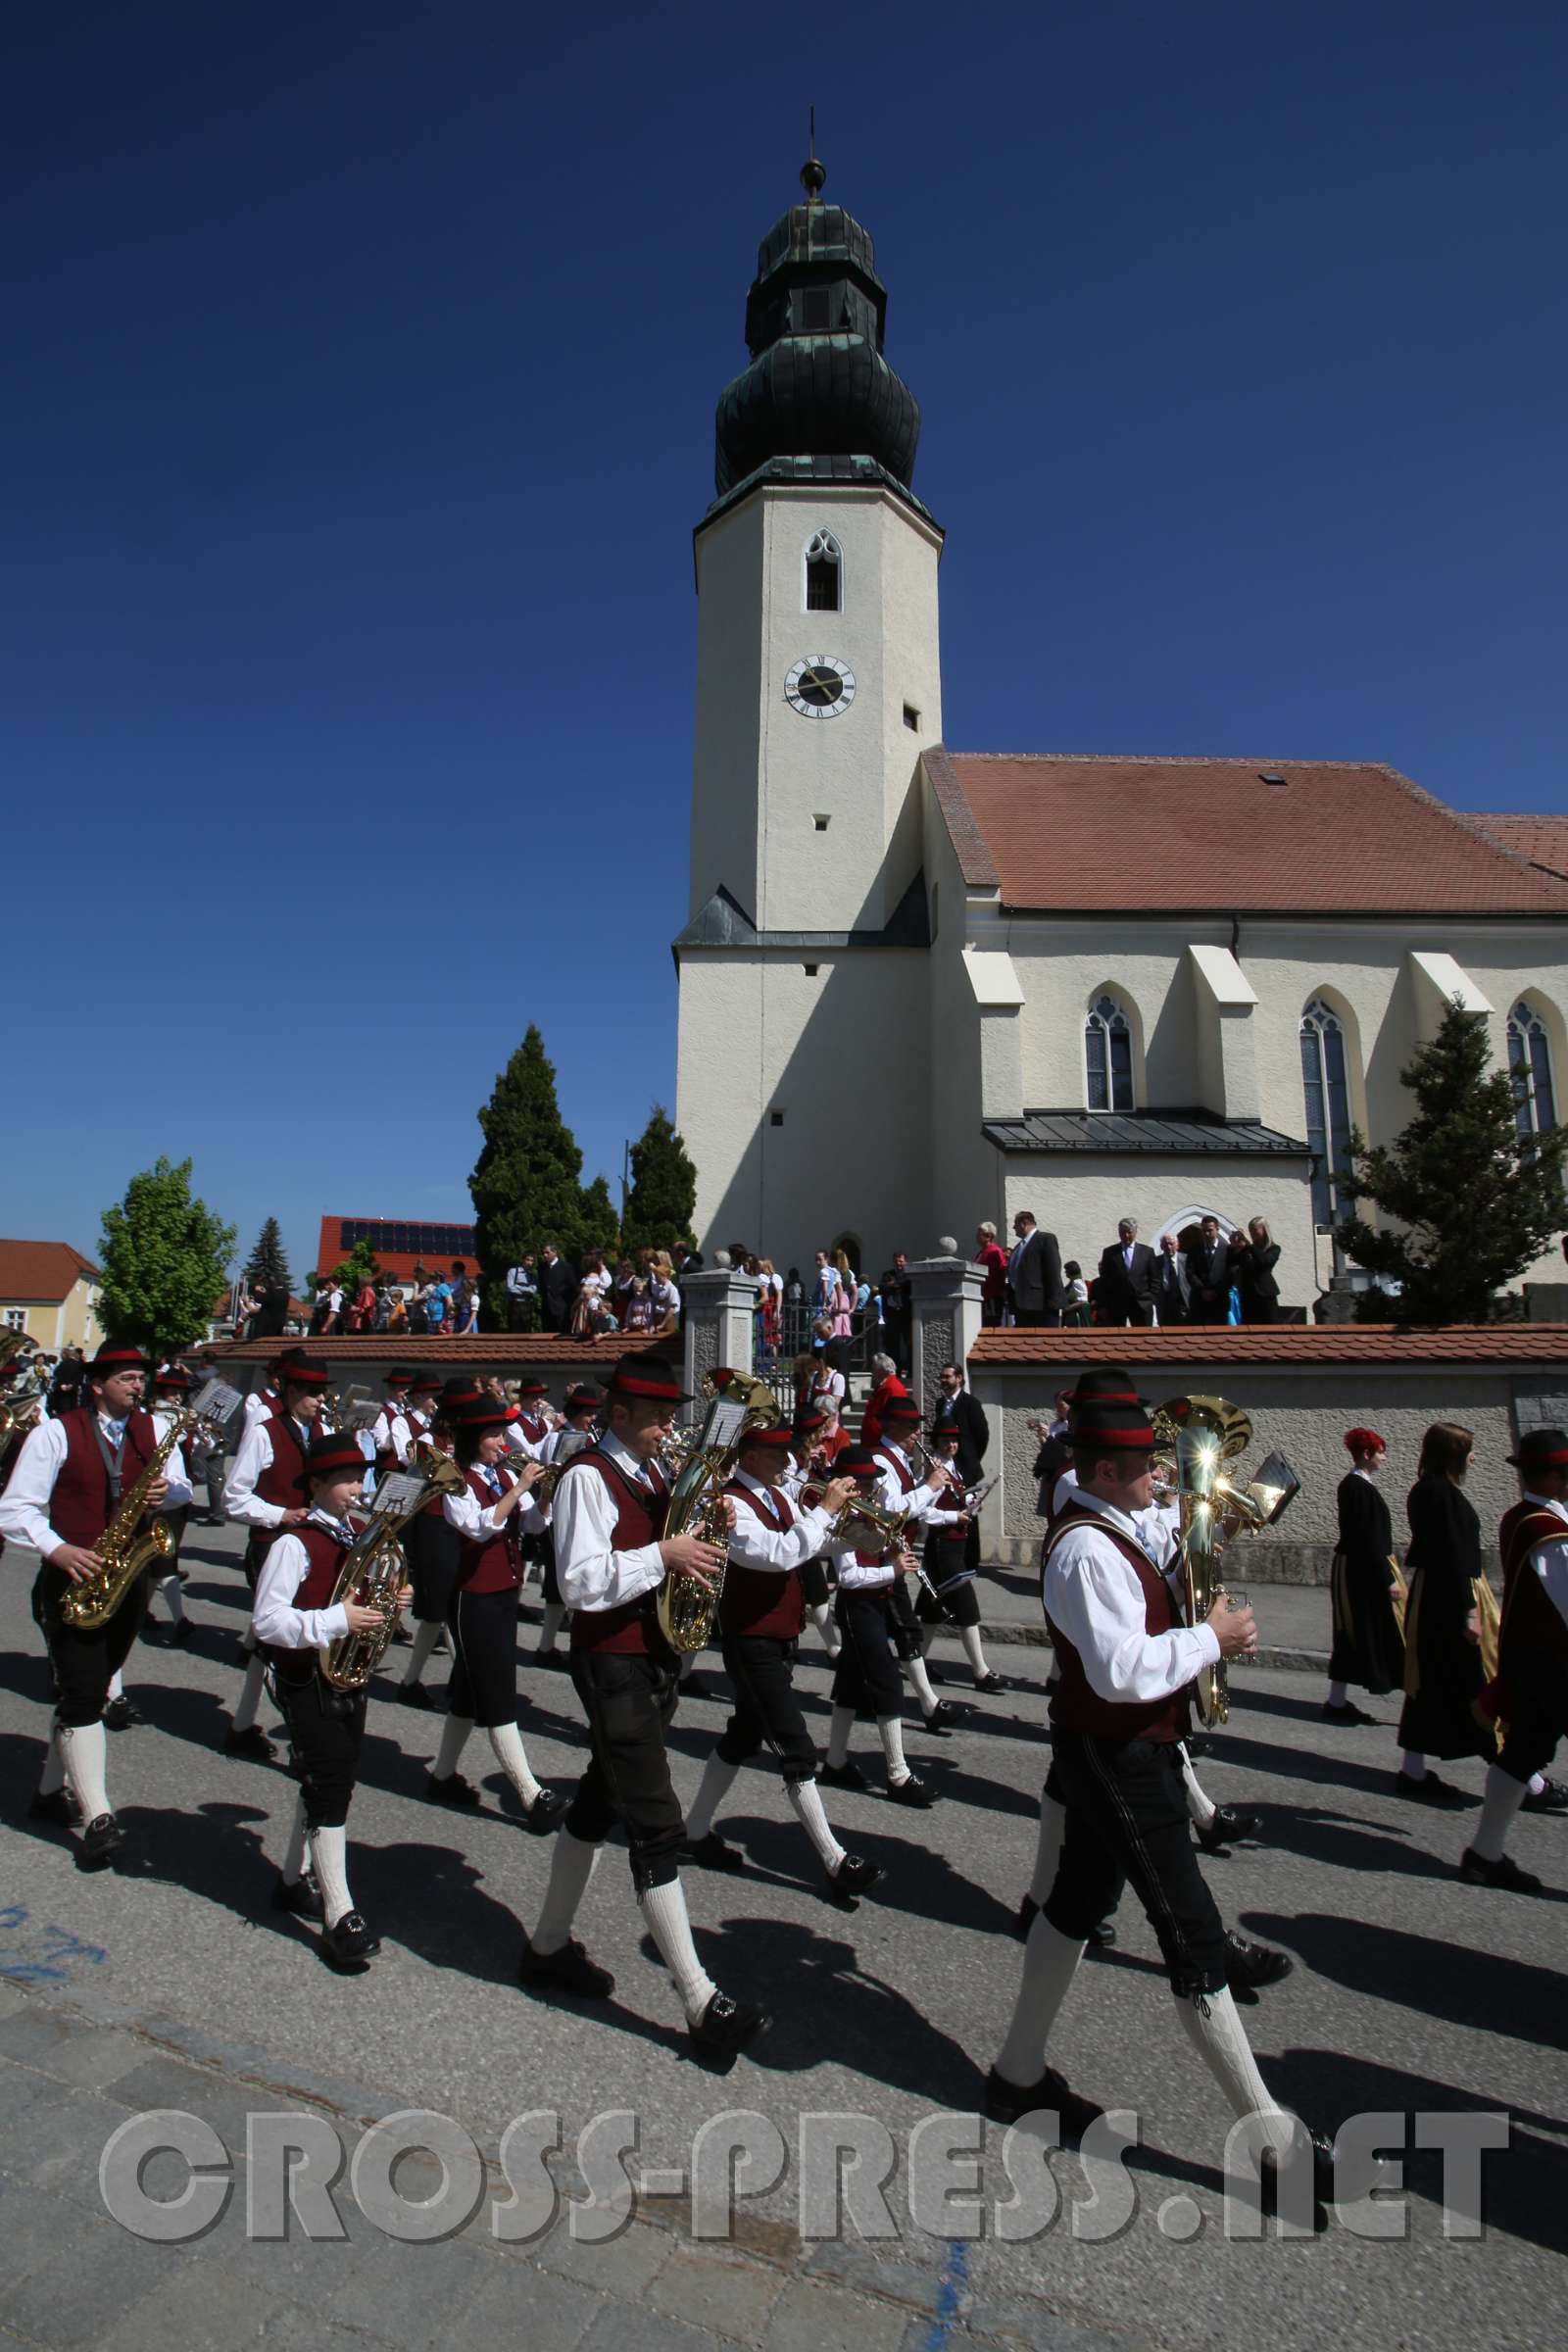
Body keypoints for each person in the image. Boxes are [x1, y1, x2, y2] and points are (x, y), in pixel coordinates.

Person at [984, 1392, 1331, 2208]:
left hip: (1122, 1746)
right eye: (1149, 1469)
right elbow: (1120, 1671)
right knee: (1191, 1930)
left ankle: (1017, 2073)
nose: (1163, 1480)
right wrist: (1215, 1638)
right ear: (1105, 1471)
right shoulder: (1083, 1551)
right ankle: (1273, 2140)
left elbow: (1162, 1552)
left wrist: (1214, 1531)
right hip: (1117, 1751)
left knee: (1076, 1902)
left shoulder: (1120, 1523)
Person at [518, 1349, 769, 2055]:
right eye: (658, 1417)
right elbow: (579, 1583)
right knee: (657, 1825)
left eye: (671, 1416)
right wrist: (666, 1554)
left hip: (650, 1656)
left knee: (600, 1803)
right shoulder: (586, 1479)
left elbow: (676, 1539)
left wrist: (708, 1520)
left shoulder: (655, 1472)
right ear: (619, 1415)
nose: (669, 1428)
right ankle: (699, 2000)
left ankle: (545, 1947)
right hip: (611, 1662)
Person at [0, 1341, 192, 1866]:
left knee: (86, 1690)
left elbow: (183, 1489)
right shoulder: (55, 1433)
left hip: (127, 1579)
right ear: (97, 1384)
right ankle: (99, 1817)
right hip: (70, 1580)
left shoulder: (155, 1432)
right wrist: (58, 1549)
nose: (139, 1386)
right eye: (128, 1377)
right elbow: (15, 1509)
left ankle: (46, 1794)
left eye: (141, 1378)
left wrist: (166, 1493)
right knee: (86, 1693)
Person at [680, 1423, 883, 1905]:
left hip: (779, 1635)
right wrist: (826, 1511)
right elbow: (776, 1555)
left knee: (743, 1736)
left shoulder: (776, 1496)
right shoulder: (729, 1505)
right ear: (749, 1457)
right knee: (796, 1748)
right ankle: (835, 1860)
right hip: (750, 1639)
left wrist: (862, 1535)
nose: (787, 1463)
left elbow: (811, 1543)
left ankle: (692, 1831)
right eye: (777, 1456)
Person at [254, 1430, 407, 1969]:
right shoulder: (294, 1543)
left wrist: (393, 1596)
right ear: (316, 1485)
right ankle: (339, 1913)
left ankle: (292, 1879)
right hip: (305, 1678)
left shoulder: (358, 1535)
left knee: (327, 1779)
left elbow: (369, 1598)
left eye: (358, 1477)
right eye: (343, 1479)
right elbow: (267, 1621)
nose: (355, 1488)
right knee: (333, 1783)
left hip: (347, 1677)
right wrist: (336, 1619)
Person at [422, 1398, 565, 1831]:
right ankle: (530, 1793)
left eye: (502, 1435)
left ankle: (442, 1776)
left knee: (468, 1692)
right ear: (472, 1440)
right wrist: (520, 1488)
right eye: (493, 1436)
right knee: (497, 1693)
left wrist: (543, 1496)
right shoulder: (456, 1482)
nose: (502, 1443)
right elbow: (480, 1525)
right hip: (473, 1598)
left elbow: (534, 1527)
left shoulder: (501, 1475)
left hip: (504, 1592)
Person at [1459, 1428, 1568, 1892]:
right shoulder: (1549, 1532)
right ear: (1556, 1476)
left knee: (1524, 1752)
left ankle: (1484, 1853)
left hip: (1532, 1660)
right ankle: (1484, 1854)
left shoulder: (1522, 1516)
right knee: (1525, 1751)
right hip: (1555, 1665)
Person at [818, 1446, 941, 1807]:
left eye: (873, 1483)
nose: (873, 1489)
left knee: (851, 1685)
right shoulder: (840, 1518)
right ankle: (898, 1774)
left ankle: (835, 1761)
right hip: (858, 1607)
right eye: (866, 1483)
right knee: (887, 1683)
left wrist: (891, 1554)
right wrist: (894, 1569)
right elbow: (850, 1577)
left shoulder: (867, 1512)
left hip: (878, 1602)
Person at [221, 1353, 331, 1758]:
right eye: (314, 1393)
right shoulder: (264, 1432)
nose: (321, 1401)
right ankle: (297, 1733)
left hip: (313, 1545)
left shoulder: (322, 1429)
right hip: (273, 1545)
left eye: (322, 1393)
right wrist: (280, 1514)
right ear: (292, 1392)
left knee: (282, 1643)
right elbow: (234, 1497)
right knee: (283, 1644)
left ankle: (243, 1724)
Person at [1396, 1422, 1494, 1804]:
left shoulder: (1429, 1489)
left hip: (1436, 1594)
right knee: (1474, 1680)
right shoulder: (1441, 1494)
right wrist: (1470, 1611)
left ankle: (1413, 1770)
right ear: (1452, 1454)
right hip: (1448, 1598)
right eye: (1468, 1449)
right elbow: (1453, 1554)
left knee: (1429, 1682)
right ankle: (1519, 1771)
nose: (1473, 1456)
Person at [916, 1421, 1005, 1694]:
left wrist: (970, 1504)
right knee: (966, 1607)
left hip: (956, 1545)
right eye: (945, 1441)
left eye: (955, 1440)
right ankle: (980, 1671)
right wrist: (954, 1516)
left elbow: (955, 1502)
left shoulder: (954, 1468)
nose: (951, 1445)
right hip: (942, 1546)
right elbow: (923, 1512)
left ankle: (915, 1660)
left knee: (932, 1610)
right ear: (936, 1442)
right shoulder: (933, 1470)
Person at [1325, 1429, 1404, 1723]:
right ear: (1367, 1454)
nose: (1384, 1457)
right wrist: (1388, 1578)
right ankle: (1336, 1702)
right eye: (1381, 1452)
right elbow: (1367, 1537)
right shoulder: (1355, 1487)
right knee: (1353, 1631)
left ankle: (1337, 1699)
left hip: (1363, 1566)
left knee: (1357, 1633)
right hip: (1360, 1570)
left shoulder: (1361, 1485)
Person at [533, 1382, 603, 1664]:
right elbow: (546, 1469)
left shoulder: (592, 1438)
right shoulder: (555, 1438)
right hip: (560, 1512)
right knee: (558, 1583)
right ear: (576, 1412)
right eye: (588, 1413)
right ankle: (546, 1647)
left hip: (584, 1511)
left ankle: (575, 1644)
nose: (593, 1418)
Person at [1006, 1210, 1063, 1328]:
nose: (1013, 1227)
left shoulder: (1045, 1239)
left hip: (1041, 1305)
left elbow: (1053, 1271)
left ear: (1024, 1223)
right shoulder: (1018, 1247)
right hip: (1021, 1306)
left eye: (1015, 1224)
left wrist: (1053, 1303)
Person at [1096, 1219, 1157, 1327]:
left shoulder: (1147, 1252)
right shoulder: (1110, 1253)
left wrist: (1151, 1299)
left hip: (1142, 1303)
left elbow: (1155, 1279)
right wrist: (1102, 1305)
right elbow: (1104, 1281)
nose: (1126, 1235)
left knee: (1143, 1337)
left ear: (1135, 1232)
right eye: (1123, 1232)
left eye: (1129, 1232)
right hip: (1117, 1305)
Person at [1184, 1216, 1232, 1326]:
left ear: (1217, 1229)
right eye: (1204, 1231)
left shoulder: (1227, 1250)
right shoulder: (1194, 1249)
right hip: (1199, 1300)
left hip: (1220, 1301)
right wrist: (1202, 1290)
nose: (1207, 1233)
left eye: (1210, 1230)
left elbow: (1229, 1273)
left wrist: (1216, 1291)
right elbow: (1190, 1272)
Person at [1234, 1217, 1282, 1325]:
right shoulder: (1248, 1249)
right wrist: (1236, 1246)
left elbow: (1264, 1262)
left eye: (1255, 1231)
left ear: (1264, 1230)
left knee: (1270, 1326)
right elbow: (1235, 1263)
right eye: (1250, 1231)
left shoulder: (1274, 1249)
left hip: (1265, 1294)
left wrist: (1250, 1245)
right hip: (1248, 1294)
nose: (1252, 1234)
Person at [859, 1353, 907, 1449]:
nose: (872, 1372)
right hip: (875, 1440)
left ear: (881, 1369)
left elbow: (894, 1418)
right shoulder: (884, 1386)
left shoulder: (892, 1388)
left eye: (874, 1368)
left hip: (881, 1442)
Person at [879, 1251, 913, 1373]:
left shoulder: (910, 1274)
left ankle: (911, 1370)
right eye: (896, 1261)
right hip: (892, 1315)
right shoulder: (888, 1274)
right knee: (892, 1345)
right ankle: (894, 1371)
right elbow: (882, 1288)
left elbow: (908, 1286)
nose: (898, 1264)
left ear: (906, 1262)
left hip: (907, 1315)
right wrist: (895, 1285)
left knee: (910, 1344)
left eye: (901, 1261)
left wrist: (893, 1285)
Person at [974, 1223, 1009, 1327]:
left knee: (990, 1326)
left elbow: (999, 1272)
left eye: (979, 1233)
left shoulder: (995, 1251)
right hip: (983, 1296)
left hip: (992, 1297)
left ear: (989, 1236)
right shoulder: (982, 1251)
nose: (976, 1236)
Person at [1152, 1232, 1188, 1327]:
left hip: (1183, 1304)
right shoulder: (1155, 1262)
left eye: (1171, 1244)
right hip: (1164, 1305)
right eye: (1165, 1244)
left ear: (1177, 1245)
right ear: (1161, 1246)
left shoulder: (1187, 1260)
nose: (1168, 1247)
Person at [506, 1254, 539, 1332]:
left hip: (527, 1305)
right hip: (515, 1304)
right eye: (528, 1260)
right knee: (514, 1329)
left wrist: (517, 1286)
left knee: (527, 1329)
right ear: (523, 1260)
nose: (529, 1263)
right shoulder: (513, 1271)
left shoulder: (532, 1275)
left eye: (532, 1261)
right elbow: (510, 1288)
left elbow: (533, 1290)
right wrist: (526, 1289)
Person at [1061, 1261, 1091, 1328]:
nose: (1065, 1272)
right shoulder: (1072, 1283)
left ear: (1070, 1271)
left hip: (1079, 1315)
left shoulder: (1077, 1282)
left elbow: (1083, 1301)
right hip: (1073, 1315)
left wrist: (1066, 1309)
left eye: (1066, 1270)